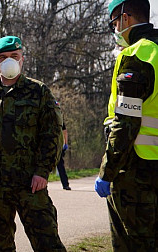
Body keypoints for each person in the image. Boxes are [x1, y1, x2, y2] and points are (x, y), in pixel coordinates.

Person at [0, 36, 65, 251]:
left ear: (22, 59)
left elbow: (52, 135)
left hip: (30, 182)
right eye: (3, 57)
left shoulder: (39, 92)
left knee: (47, 243)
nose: (8, 61)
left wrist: (43, 171)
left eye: (13, 56)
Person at [94, 0, 158, 251]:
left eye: (114, 23)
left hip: (136, 172)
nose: (115, 29)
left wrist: (106, 172)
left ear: (125, 18)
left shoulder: (136, 56)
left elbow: (126, 122)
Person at [57, 122, 71, 190]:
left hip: (51, 145)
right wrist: (65, 143)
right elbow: (64, 132)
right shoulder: (59, 118)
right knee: (60, 166)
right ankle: (65, 184)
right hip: (59, 146)